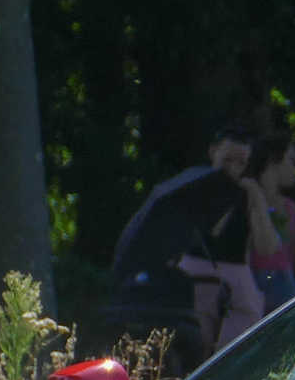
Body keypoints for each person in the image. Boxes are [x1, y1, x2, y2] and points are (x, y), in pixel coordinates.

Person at [107, 124, 264, 359]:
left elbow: (268, 247)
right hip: (199, 277)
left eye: (241, 163)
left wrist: (257, 203)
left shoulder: (248, 193)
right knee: (198, 349)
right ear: (213, 152)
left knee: (236, 350)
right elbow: (212, 234)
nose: (232, 168)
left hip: (233, 282)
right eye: (227, 160)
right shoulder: (193, 189)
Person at [242, 134, 295, 313]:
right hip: (250, 284)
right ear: (274, 159)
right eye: (292, 161)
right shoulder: (245, 198)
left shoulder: (289, 208)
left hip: (284, 287)